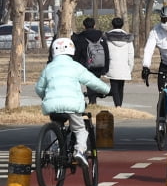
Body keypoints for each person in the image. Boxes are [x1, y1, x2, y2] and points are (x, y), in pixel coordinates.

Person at [35, 37, 110, 167]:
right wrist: (107, 90)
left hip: (53, 106)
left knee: (56, 126)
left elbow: (39, 88)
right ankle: (79, 151)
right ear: (72, 50)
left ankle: (55, 151)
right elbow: (92, 81)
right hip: (72, 105)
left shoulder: (49, 67)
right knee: (80, 129)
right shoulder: (75, 66)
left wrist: (45, 96)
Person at [73, 17, 110, 105]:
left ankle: (92, 101)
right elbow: (106, 52)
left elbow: (77, 53)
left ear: (84, 26)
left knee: (89, 82)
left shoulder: (80, 38)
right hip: (99, 64)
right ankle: (93, 100)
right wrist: (106, 67)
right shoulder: (102, 37)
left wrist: (75, 64)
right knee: (95, 81)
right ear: (94, 25)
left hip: (86, 64)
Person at [104, 17, 134, 107]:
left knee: (114, 86)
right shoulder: (128, 38)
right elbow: (131, 54)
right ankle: (119, 105)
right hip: (124, 66)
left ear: (112, 25)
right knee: (121, 87)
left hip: (111, 65)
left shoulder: (107, 37)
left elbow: (105, 53)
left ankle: (117, 105)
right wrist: (130, 68)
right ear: (122, 25)